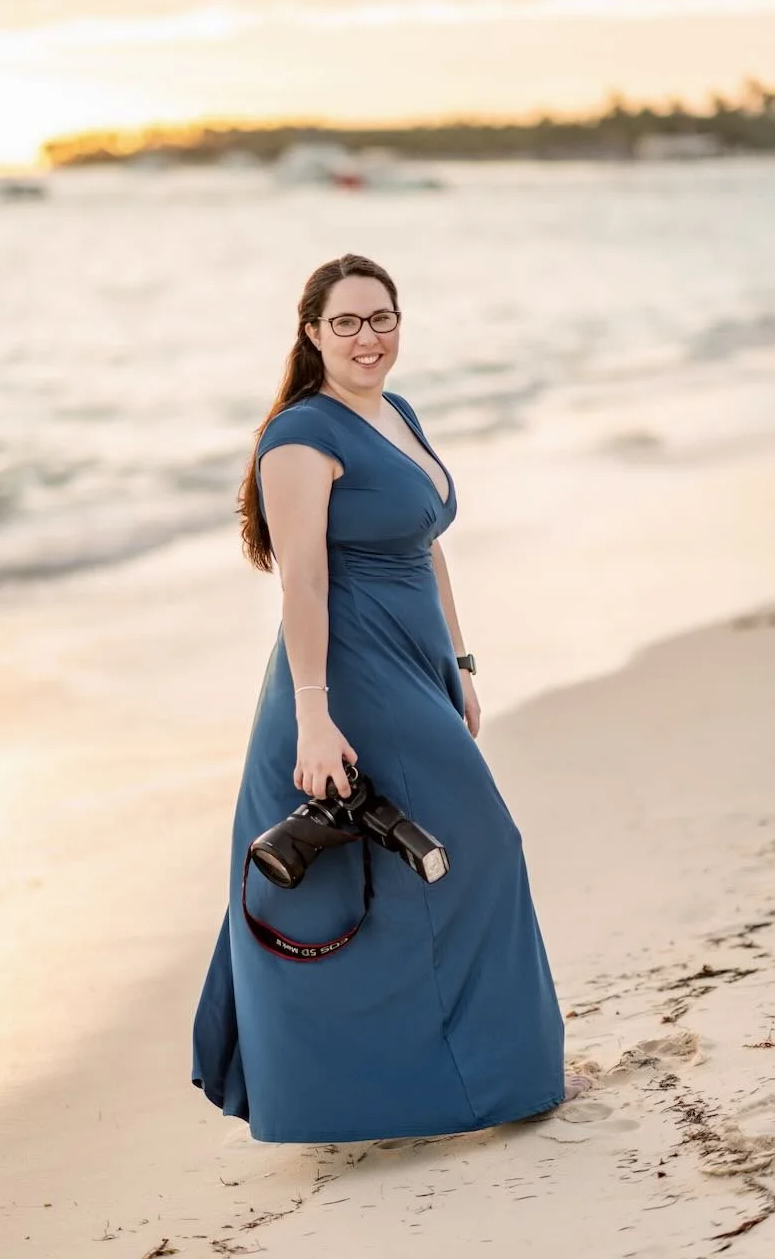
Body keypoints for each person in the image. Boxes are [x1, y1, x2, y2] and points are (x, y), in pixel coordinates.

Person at [192, 253, 587, 1143]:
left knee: (431, 862)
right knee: (475, 846)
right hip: (349, 673)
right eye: (346, 323)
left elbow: (426, 544)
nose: (367, 338)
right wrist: (315, 715)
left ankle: (459, 1076)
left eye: (381, 319)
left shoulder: (395, 413)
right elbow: (300, 582)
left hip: (417, 664)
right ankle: (476, 1083)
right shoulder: (300, 437)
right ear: (311, 334)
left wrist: (460, 661)